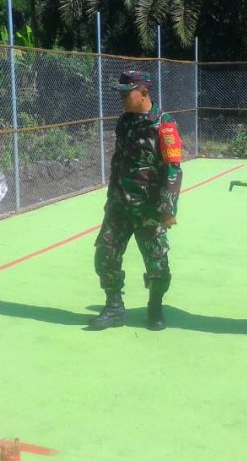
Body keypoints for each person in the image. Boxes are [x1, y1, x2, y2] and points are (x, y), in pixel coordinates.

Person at [89, 70, 183, 331]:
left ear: (143, 92)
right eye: (119, 93)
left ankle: (155, 308)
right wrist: (111, 198)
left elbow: (173, 168)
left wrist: (168, 208)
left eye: (125, 93)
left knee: (157, 263)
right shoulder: (125, 121)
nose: (121, 98)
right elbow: (118, 161)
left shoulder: (163, 124)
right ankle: (114, 308)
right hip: (119, 205)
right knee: (105, 254)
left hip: (148, 209)